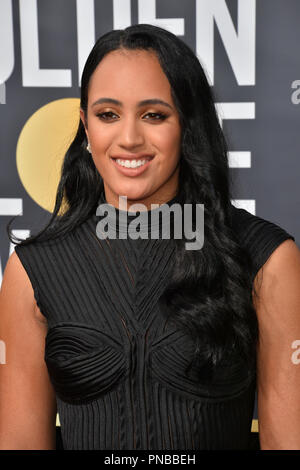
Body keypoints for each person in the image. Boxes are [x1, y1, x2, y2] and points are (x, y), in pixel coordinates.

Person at [0, 24, 300, 451]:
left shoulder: (266, 260)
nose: (129, 139)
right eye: (108, 115)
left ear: (188, 124)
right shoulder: (34, 270)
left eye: (154, 115)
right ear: (86, 126)